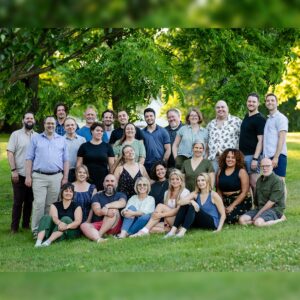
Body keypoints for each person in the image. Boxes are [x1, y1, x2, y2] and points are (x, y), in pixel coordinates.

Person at [25, 116, 69, 237]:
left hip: (56, 177)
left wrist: (65, 177)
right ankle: (36, 231)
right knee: (39, 204)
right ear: (44, 124)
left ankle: (46, 229)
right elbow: (29, 158)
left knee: (51, 205)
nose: (50, 125)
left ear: (56, 125)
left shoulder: (62, 140)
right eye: (48, 123)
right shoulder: (36, 139)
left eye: (52, 123)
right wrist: (28, 176)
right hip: (39, 176)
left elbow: (66, 160)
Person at [165, 173, 226, 238]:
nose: (200, 182)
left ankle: (181, 233)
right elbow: (179, 202)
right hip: (199, 222)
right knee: (186, 204)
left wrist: (218, 230)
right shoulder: (195, 193)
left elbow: (223, 214)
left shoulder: (213, 195)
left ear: (207, 181)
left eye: (203, 180)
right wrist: (191, 201)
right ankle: (172, 232)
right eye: (198, 181)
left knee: (192, 206)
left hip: (212, 223)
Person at [131, 169, 189, 237]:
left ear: (181, 180)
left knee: (160, 206)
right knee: (152, 228)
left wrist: (161, 215)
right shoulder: (167, 192)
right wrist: (165, 223)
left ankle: (142, 232)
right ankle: (169, 230)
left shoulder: (185, 192)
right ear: (170, 181)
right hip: (169, 219)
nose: (175, 181)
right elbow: (166, 209)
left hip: (179, 221)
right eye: (172, 179)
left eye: (177, 179)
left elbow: (177, 211)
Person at [7, 112, 38, 233]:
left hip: (33, 174)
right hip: (19, 173)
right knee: (18, 202)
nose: (29, 120)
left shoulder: (37, 136)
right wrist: (13, 170)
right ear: (23, 120)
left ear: (34, 121)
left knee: (29, 201)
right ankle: (14, 228)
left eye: (31, 118)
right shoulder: (16, 135)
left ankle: (25, 224)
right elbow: (10, 153)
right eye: (27, 118)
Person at [239, 158, 286, 227]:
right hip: (260, 208)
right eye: (262, 166)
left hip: (274, 209)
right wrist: (256, 212)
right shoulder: (259, 180)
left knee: (258, 223)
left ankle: (281, 219)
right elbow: (257, 201)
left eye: (267, 166)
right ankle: (258, 220)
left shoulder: (277, 180)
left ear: (272, 166)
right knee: (241, 220)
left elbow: (271, 202)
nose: (264, 168)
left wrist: (257, 215)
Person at [80, 174, 127, 242]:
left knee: (113, 210)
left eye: (112, 181)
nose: (109, 183)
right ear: (103, 184)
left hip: (114, 225)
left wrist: (107, 206)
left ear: (116, 184)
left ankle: (99, 234)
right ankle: (99, 240)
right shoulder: (97, 196)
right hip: (99, 224)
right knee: (83, 225)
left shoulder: (120, 195)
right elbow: (97, 211)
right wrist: (106, 212)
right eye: (107, 181)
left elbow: (122, 203)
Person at [34, 183, 82, 247]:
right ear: (62, 192)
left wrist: (66, 226)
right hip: (56, 229)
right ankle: (38, 242)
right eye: (66, 191)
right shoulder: (54, 205)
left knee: (66, 218)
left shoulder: (77, 206)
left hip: (70, 231)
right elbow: (54, 217)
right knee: (46, 217)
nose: (68, 193)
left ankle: (48, 242)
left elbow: (78, 222)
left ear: (73, 194)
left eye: (71, 191)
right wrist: (60, 223)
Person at [216, 149, 252, 224]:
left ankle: (252, 219)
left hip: (239, 200)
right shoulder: (220, 171)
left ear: (237, 159)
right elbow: (218, 189)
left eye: (233, 158)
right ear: (224, 158)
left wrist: (232, 206)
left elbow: (244, 192)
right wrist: (221, 204)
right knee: (217, 216)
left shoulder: (241, 171)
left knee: (229, 219)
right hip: (225, 200)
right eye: (228, 157)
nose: (230, 159)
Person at [239, 93, 266, 193]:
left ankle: (260, 207)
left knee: (255, 183)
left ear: (258, 103)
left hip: (252, 156)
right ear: (247, 102)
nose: (251, 103)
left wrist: (255, 158)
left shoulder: (260, 119)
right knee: (246, 184)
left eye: (254, 102)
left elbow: (261, 141)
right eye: (249, 101)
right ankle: (252, 207)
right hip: (242, 156)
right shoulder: (246, 117)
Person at [77, 122, 115, 191]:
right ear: (92, 131)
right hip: (86, 178)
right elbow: (79, 164)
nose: (100, 132)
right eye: (97, 130)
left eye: (101, 131)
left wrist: (110, 178)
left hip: (103, 179)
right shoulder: (84, 146)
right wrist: (78, 177)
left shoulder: (107, 147)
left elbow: (111, 165)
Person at [207, 100, 242, 172]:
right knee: (213, 182)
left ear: (227, 108)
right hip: (214, 159)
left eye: (223, 107)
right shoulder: (211, 124)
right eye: (218, 107)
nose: (220, 109)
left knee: (228, 182)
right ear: (215, 110)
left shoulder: (236, 121)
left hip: (230, 159)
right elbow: (206, 142)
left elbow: (244, 138)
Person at [263, 93, 288, 180]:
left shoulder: (281, 118)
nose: (270, 102)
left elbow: (282, 138)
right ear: (265, 103)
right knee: (271, 185)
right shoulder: (269, 119)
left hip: (278, 156)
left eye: (272, 100)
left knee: (280, 183)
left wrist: (276, 157)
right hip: (268, 157)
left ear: (277, 103)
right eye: (268, 100)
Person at [143, 108, 171, 173]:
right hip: (146, 166)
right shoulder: (142, 133)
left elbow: (168, 149)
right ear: (144, 118)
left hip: (160, 166)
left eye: (151, 116)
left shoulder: (163, 131)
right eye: (147, 116)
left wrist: (163, 163)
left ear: (154, 117)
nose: (149, 118)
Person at [64, 117, 86, 182]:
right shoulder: (60, 140)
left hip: (79, 172)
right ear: (64, 128)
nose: (70, 127)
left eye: (72, 125)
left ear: (76, 126)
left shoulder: (82, 140)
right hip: (65, 172)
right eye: (67, 125)